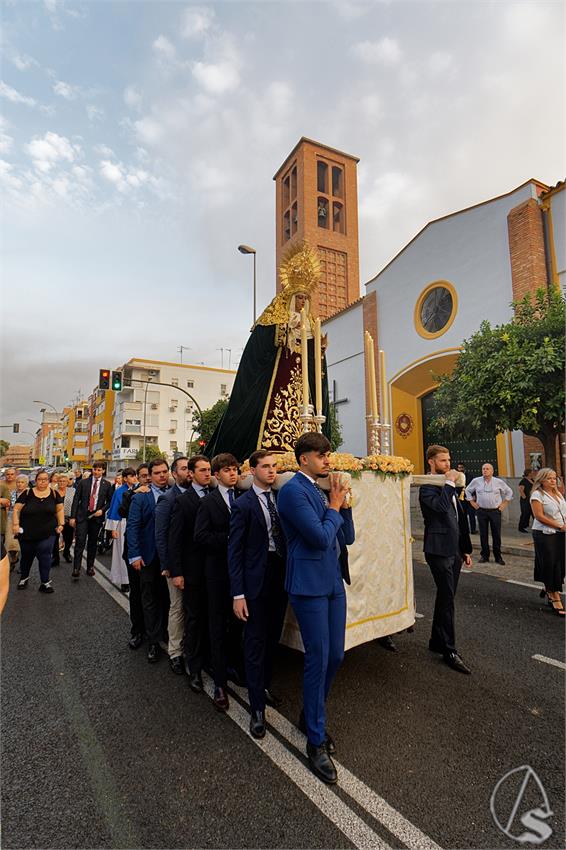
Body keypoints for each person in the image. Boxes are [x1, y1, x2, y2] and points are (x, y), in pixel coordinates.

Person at [205, 242, 331, 461]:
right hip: (276, 384)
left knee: (309, 415)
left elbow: (314, 362)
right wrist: (282, 331)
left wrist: (319, 350)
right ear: (291, 298)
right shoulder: (273, 318)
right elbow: (258, 349)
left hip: (303, 388)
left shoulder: (311, 324)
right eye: (298, 297)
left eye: (305, 298)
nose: (302, 302)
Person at [278, 433, 354, 785]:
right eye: (321, 455)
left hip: (331, 581)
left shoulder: (321, 491)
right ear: (303, 459)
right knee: (318, 657)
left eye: (328, 455)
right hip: (308, 583)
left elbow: (344, 538)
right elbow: (319, 537)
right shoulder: (294, 491)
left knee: (336, 655)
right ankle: (315, 739)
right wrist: (335, 506)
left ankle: (311, 713)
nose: (327, 461)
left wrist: (345, 507)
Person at [229, 450, 288, 739]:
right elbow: (235, 552)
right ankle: (256, 709)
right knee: (254, 640)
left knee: (272, 637)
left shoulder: (280, 499)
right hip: (254, 582)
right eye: (265, 467)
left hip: (280, 577)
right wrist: (238, 593)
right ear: (252, 471)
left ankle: (264, 686)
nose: (271, 471)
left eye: (274, 467)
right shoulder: (243, 504)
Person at [194, 453, 244, 712]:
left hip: (240, 574)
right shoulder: (209, 502)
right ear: (216, 475)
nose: (232, 474)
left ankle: (234, 666)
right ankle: (219, 683)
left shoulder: (243, 498)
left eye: (235, 469)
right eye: (226, 471)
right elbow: (200, 536)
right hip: (216, 574)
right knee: (217, 625)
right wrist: (229, 540)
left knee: (237, 624)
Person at [420, 445, 473, 676]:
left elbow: (459, 518)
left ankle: (436, 640)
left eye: (449, 460)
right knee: (447, 598)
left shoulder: (448, 486)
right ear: (431, 462)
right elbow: (441, 510)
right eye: (442, 461)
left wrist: (466, 549)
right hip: (437, 550)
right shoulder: (428, 487)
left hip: (454, 551)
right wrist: (450, 483)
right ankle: (449, 650)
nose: (448, 464)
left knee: (446, 596)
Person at [168, 455, 211, 693]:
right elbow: (175, 540)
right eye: (203, 470)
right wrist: (177, 572)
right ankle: (193, 667)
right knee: (193, 618)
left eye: (209, 470)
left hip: (213, 571)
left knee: (211, 617)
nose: (208, 474)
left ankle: (209, 660)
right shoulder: (183, 502)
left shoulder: (216, 496)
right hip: (192, 572)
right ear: (191, 474)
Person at [127, 458, 170, 663]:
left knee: (167, 598)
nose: (162, 476)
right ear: (150, 477)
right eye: (158, 473)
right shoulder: (141, 497)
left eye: (165, 472)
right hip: (147, 557)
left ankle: (164, 632)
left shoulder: (174, 493)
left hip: (169, 558)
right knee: (149, 598)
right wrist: (135, 555)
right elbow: (133, 527)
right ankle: (152, 641)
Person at [154, 456, 191, 675]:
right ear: (174, 474)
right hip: (175, 565)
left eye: (190, 468)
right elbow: (162, 536)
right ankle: (175, 652)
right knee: (177, 608)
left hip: (194, 564)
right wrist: (167, 565)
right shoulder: (168, 499)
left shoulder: (202, 494)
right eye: (184, 469)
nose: (188, 472)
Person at [12, 469, 64, 593]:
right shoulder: (27, 493)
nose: (42, 482)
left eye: (45, 480)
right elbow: (16, 509)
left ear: (49, 481)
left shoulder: (54, 494)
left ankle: (45, 582)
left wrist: (61, 524)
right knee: (27, 556)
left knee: (45, 554)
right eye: (40, 480)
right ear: (35, 481)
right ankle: (24, 577)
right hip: (27, 532)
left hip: (48, 532)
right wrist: (15, 524)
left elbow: (59, 510)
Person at [530, 468, 566, 616]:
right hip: (544, 534)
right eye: (549, 478)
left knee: (561, 563)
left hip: (560, 532)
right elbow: (538, 516)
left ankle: (549, 586)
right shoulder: (537, 495)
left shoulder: (558, 494)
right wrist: (559, 525)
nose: (553, 481)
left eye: (554, 478)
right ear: (542, 480)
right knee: (551, 563)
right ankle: (554, 595)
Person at [120, 463, 149, 649]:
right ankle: (137, 631)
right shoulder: (130, 494)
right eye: (144, 475)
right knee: (137, 593)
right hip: (134, 551)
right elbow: (122, 511)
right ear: (138, 477)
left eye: (149, 475)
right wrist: (135, 494)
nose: (147, 478)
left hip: (154, 553)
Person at [70, 462, 112, 578]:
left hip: (96, 517)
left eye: (99, 470)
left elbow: (110, 501)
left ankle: (90, 567)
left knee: (92, 543)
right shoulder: (84, 482)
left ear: (103, 471)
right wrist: (73, 517)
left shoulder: (107, 484)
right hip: (83, 516)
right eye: (95, 469)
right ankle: (76, 568)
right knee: (80, 541)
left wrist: (102, 510)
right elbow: (76, 500)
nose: (96, 472)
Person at [465, 463, 513, 565]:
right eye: (483, 469)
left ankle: (498, 556)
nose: (485, 470)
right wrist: (472, 502)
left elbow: (509, 492)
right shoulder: (476, 481)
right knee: (483, 534)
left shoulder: (498, 482)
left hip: (495, 511)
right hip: (481, 511)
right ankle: (484, 555)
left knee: (496, 534)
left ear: (492, 471)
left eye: (487, 469)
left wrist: (504, 504)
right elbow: (467, 490)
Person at [105, 467, 137, 591]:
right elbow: (114, 510)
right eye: (131, 476)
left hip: (136, 524)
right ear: (125, 478)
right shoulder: (119, 492)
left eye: (135, 475)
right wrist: (113, 529)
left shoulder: (139, 489)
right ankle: (124, 580)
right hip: (122, 524)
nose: (134, 478)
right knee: (122, 552)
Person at [5, 473, 27, 567]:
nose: (20, 484)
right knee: (11, 542)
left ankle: (23, 566)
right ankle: (13, 559)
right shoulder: (12, 493)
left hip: (26, 520)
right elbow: (8, 507)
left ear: (26, 483)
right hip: (11, 519)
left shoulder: (30, 494)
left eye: (22, 482)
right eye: (18, 482)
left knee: (25, 544)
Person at [51, 473, 72, 567]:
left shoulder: (73, 491)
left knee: (69, 538)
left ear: (67, 482)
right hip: (55, 518)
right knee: (54, 539)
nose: (62, 483)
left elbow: (76, 504)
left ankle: (66, 552)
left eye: (64, 481)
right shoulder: (52, 491)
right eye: (60, 481)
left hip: (68, 518)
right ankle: (55, 558)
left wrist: (74, 517)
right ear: (57, 482)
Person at [456, 462, 476, 534]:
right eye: (459, 467)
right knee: (463, 515)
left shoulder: (470, 476)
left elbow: (474, 486)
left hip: (470, 498)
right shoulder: (456, 477)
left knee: (472, 514)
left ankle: (473, 529)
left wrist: (474, 495)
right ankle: (465, 529)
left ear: (464, 468)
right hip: (461, 499)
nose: (460, 469)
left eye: (461, 467)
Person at [518, 468, 535, 533]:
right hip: (525, 500)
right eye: (532, 472)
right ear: (529, 473)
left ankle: (537, 527)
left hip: (532, 499)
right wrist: (524, 497)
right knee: (525, 513)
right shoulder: (523, 481)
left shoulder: (532, 480)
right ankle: (521, 527)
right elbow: (520, 490)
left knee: (534, 513)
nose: (533, 473)